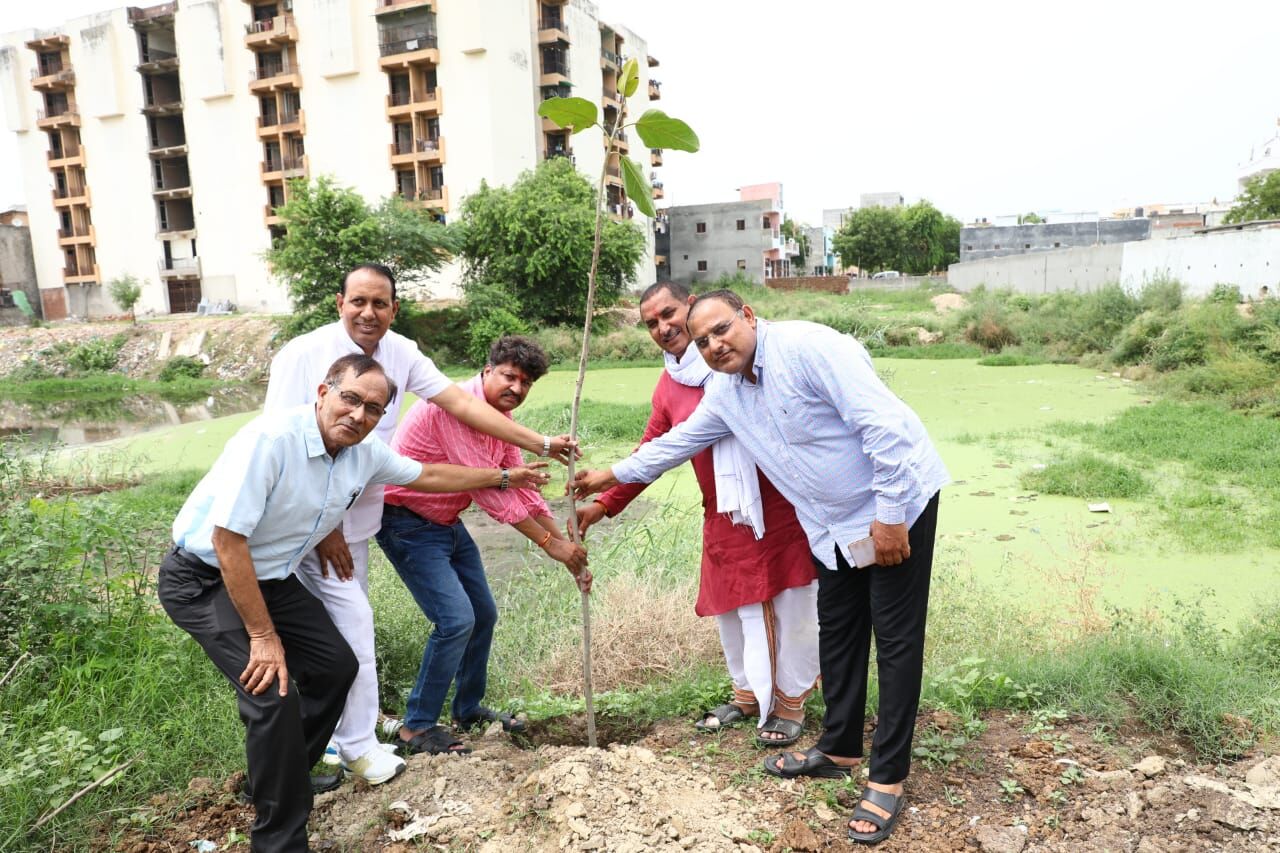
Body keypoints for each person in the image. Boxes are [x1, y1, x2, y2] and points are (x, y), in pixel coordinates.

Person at [571, 290, 949, 846]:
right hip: (829, 523)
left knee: (894, 642)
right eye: (702, 341)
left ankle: (888, 777)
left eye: (721, 330)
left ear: (748, 315)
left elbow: (885, 428)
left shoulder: (811, 348)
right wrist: (609, 476)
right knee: (839, 633)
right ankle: (840, 747)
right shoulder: (725, 392)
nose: (713, 345)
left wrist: (892, 518)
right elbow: (677, 443)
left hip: (892, 504)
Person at [159, 354, 551, 853]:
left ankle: (281, 777)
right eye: (350, 399)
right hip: (206, 578)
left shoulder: (364, 453)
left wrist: (501, 478)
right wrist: (263, 637)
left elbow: (426, 476)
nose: (358, 415)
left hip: (270, 578)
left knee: (335, 666)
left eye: (372, 409)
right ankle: (279, 841)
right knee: (272, 693)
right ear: (323, 392)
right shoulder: (272, 441)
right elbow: (227, 540)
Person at [263, 263, 576, 784]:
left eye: (380, 303)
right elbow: (283, 442)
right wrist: (327, 525)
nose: (368, 312)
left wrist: (541, 446)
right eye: (358, 301)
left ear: (394, 309)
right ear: (338, 302)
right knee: (322, 638)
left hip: (371, 521)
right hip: (326, 524)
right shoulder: (301, 355)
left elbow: (485, 464)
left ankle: (363, 740)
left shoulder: (404, 354)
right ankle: (374, 737)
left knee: (369, 632)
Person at [573, 282, 818, 745]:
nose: (663, 328)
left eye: (668, 314)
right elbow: (655, 451)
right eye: (651, 323)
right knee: (732, 609)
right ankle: (746, 694)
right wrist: (604, 504)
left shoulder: (739, 366)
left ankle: (790, 702)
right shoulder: (669, 386)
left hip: (776, 508)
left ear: (690, 307)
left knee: (790, 607)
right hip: (721, 512)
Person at [376, 336, 590, 754]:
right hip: (406, 523)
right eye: (509, 376)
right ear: (487, 370)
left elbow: (521, 485)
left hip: (445, 521)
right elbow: (492, 493)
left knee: (483, 615)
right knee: (455, 620)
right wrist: (552, 545)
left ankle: (468, 708)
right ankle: (416, 726)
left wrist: (568, 550)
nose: (516, 388)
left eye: (526, 383)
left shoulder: (499, 419)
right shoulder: (454, 408)